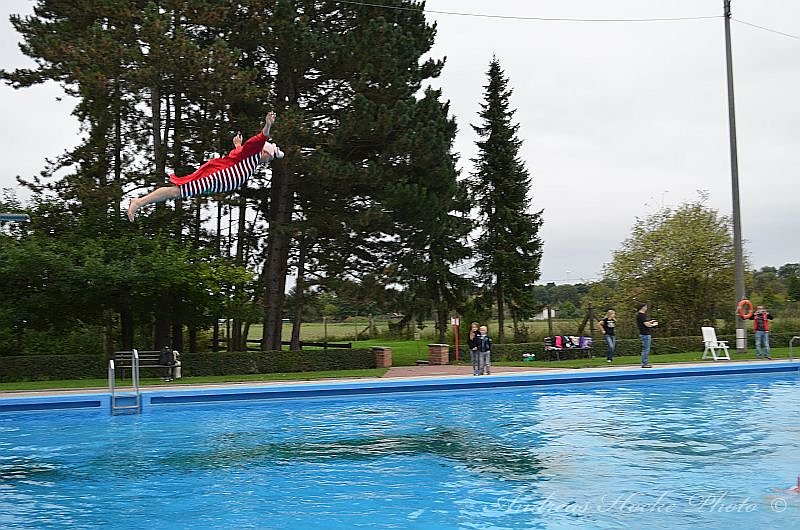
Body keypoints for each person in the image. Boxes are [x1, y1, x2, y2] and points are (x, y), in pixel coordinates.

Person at [127, 112, 284, 221]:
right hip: (215, 177)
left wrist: (237, 145)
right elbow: (260, 138)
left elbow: (239, 155)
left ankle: (139, 202)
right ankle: (139, 202)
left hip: (216, 183)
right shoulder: (256, 151)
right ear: (265, 152)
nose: (268, 161)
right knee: (177, 191)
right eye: (269, 157)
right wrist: (268, 125)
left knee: (177, 192)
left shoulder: (251, 158)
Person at [636, 303, 658, 368]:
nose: (646, 308)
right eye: (645, 307)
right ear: (642, 307)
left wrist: (650, 322)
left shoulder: (640, 315)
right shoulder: (641, 315)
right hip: (645, 334)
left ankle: (645, 363)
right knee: (646, 349)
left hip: (644, 333)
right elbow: (646, 325)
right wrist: (654, 324)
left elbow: (644, 323)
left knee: (645, 348)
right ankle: (644, 363)